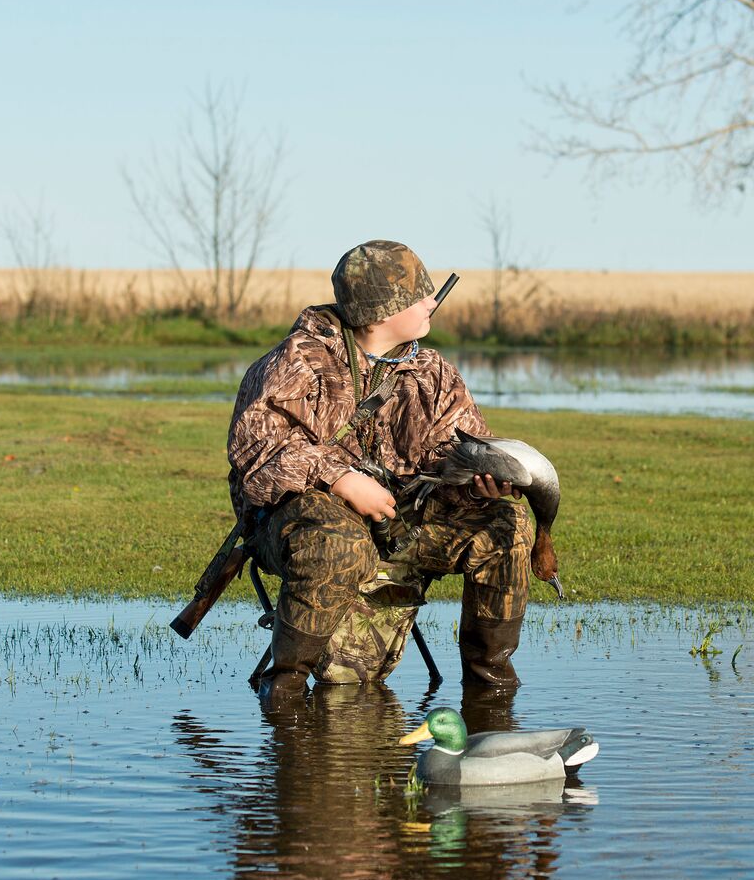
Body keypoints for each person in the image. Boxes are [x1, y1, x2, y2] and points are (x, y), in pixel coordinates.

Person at [227, 240, 532, 701]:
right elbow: (257, 458)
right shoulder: (297, 361)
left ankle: (490, 693)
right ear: (380, 312)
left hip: (400, 522)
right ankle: (284, 690)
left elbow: (451, 458)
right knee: (336, 537)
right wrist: (340, 478)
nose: (432, 302)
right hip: (298, 525)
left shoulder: (433, 372)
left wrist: (478, 486)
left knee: (508, 526)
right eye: (418, 296)